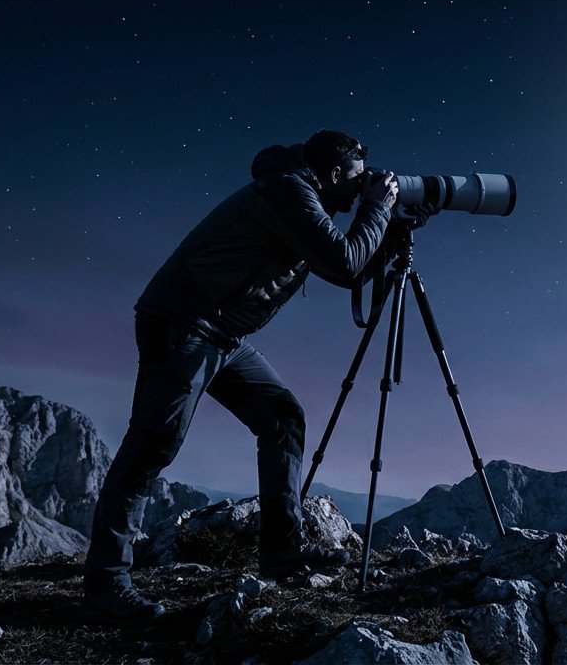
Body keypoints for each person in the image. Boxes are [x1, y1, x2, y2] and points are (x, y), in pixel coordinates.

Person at [82, 129, 397, 621]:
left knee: (282, 418)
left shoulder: (301, 192)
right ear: (333, 174)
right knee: (152, 445)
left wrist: (389, 223)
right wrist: (376, 209)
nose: (361, 188)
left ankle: (281, 552)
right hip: (183, 322)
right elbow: (343, 263)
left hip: (220, 333)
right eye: (356, 181)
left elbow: (348, 259)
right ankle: (105, 586)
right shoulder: (289, 191)